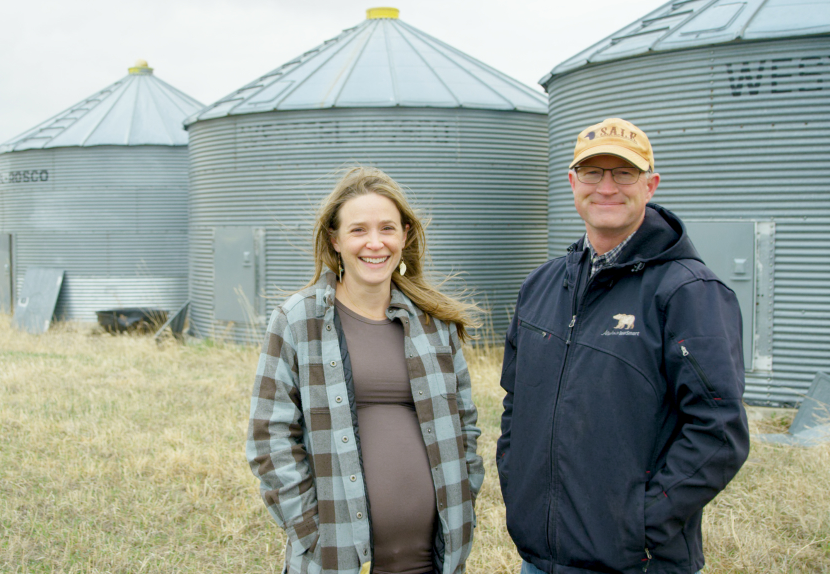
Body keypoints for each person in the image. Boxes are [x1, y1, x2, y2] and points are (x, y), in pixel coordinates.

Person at [496, 118, 750, 574]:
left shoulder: (689, 292)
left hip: (636, 563)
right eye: (593, 172)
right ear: (573, 183)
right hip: (539, 558)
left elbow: (720, 431)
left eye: (624, 173)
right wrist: (518, 491)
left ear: (650, 184)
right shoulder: (541, 285)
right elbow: (518, 404)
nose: (607, 187)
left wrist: (639, 525)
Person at [247, 166, 485, 574]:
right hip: (337, 558)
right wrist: (311, 533)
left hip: (437, 561)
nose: (375, 243)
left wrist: (464, 495)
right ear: (335, 239)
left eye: (387, 229)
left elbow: (465, 426)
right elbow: (269, 439)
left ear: (405, 235)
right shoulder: (297, 320)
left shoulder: (434, 323)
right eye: (358, 230)